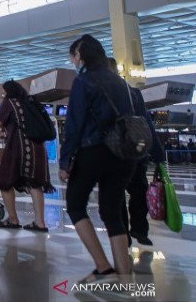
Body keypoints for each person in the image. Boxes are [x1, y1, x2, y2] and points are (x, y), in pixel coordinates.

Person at [60, 34, 137, 283]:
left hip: (94, 150)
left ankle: (103, 268)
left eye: (72, 57)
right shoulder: (121, 81)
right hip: (124, 153)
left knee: (74, 204)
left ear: (79, 56)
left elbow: (74, 125)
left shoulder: (84, 82)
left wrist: (65, 162)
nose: (73, 62)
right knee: (112, 212)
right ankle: (125, 279)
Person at [108, 58, 165, 246]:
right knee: (138, 191)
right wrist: (157, 153)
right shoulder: (133, 93)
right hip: (135, 151)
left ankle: (124, 233)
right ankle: (139, 229)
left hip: (113, 152)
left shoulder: (101, 93)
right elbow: (145, 123)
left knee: (116, 195)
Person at [0, 80, 54, 232]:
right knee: (35, 184)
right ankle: (40, 222)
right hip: (38, 147)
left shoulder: (9, 102)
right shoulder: (29, 101)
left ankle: (13, 219)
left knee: (4, 181)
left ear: (8, 92)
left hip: (18, 146)